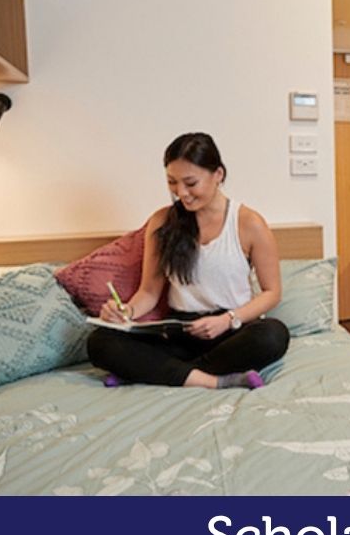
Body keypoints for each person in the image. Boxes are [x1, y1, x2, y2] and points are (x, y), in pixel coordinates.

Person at [87, 132, 289, 390]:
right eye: (172, 182)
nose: (181, 193)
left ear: (218, 175)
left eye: (190, 183)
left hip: (230, 330)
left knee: (273, 335)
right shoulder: (162, 221)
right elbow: (149, 292)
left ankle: (153, 372)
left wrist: (228, 319)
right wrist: (125, 312)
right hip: (180, 332)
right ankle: (214, 380)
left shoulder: (249, 223)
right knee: (100, 342)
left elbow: (272, 293)